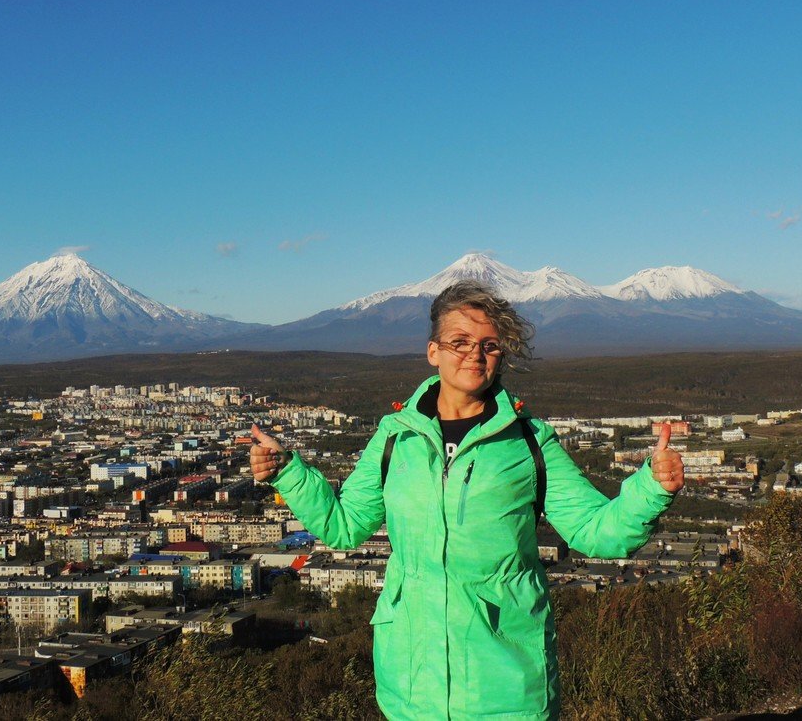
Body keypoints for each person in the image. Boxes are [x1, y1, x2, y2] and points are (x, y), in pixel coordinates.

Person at [251, 281, 684, 720]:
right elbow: (344, 526)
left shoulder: (529, 443)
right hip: (411, 688)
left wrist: (652, 488)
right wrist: (288, 469)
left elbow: (596, 532)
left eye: (489, 345)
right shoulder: (395, 437)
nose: (474, 354)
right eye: (459, 342)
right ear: (433, 352)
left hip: (507, 689)